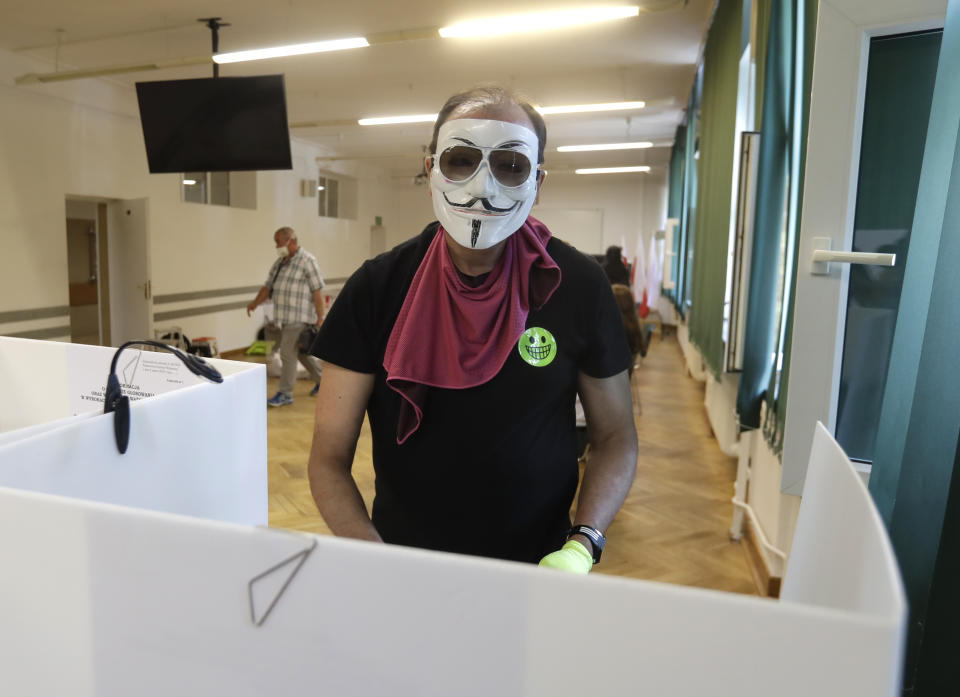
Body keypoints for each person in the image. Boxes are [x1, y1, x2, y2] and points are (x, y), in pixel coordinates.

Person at [307, 86, 638, 573]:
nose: (483, 187)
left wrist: (582, 544)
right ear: (430, 169)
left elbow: (615, 436)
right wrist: (373, 559)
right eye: (461, 160)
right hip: (405, 564)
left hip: (539, 566)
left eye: (510, 166)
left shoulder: (579, 287)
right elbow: (328, 458)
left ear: (538, 181)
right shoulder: (377, 289)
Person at [246, 227, 325, 407]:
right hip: (284, 318)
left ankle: (285, 393)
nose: (276, 246)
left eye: (278, 242)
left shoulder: (307, 261)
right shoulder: (280, 262)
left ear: (290, 241)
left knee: (287, 354)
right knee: (302, 354)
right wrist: (254, 303)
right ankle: (323, 382)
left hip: (301, 318)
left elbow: (317, 291)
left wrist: (320, 318)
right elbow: (267, 287)